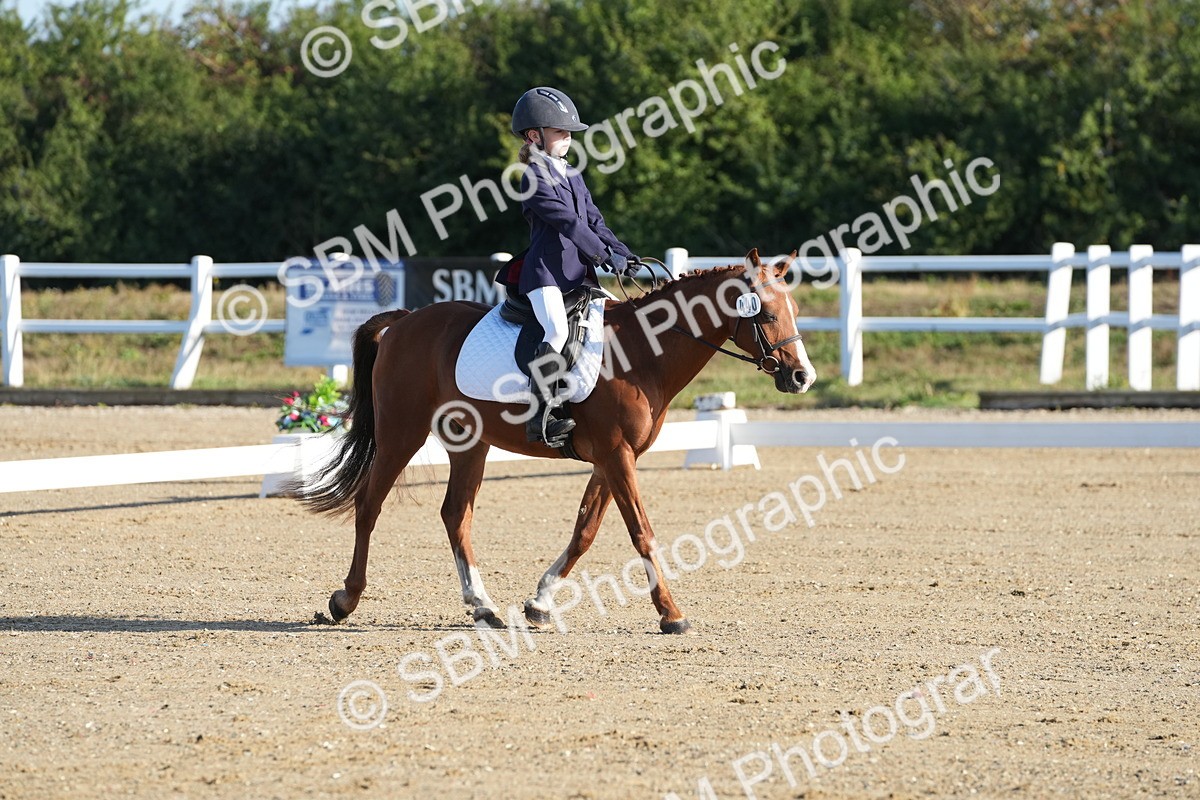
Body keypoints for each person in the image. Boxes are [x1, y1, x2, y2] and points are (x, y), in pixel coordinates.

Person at [509, 86, 642, 446]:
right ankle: (541, 416)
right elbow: (568, 223)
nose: (567, 137)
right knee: (556, 332)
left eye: (569, 132)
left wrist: (623, 253)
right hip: (545, 275)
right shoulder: (533, 177)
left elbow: (594, 221)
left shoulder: (571, 174)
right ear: (535, 136)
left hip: (577, 274)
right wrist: (602, 255)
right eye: (559, 131)